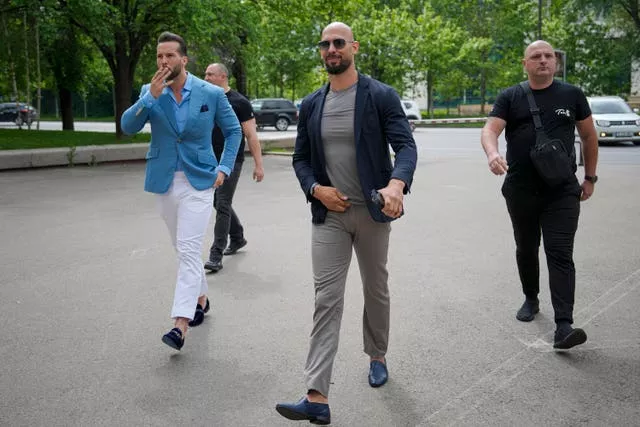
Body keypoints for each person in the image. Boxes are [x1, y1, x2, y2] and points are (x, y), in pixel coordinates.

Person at [275, 22, 417, 425]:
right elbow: (301, 159)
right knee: (327, 299)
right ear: (321, 52)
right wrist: (316, 189)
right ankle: (316, 395)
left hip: (372, 211)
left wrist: (396, 184)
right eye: (325, 44)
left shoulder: (380, 96)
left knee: (376, 289)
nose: (332, 49)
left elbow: (405, 146)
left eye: (339, 43)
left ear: (353, 47)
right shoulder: (312, 103)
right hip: (330, 216)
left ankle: (377, 355)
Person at [121, 32, 241, 351]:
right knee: (182, 248)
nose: (163, 61)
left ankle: (180, 324)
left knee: (188, 249)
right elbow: (127, 127)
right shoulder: (151, 92)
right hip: (164, 180)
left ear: (183, 59)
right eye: (159, 56)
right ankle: (200, 299)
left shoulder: (210, 93)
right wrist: (149, 98)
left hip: (200, 180)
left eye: (169, 56)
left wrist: (224, 168)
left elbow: (233, 131)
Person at [480, 40, 599, 350]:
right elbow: (490, 129)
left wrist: (590, 178)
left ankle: (564, 325)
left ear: (555, 63)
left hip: (561, 191)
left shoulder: (571, 95)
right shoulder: (511, 96)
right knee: (527, 247)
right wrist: (492, 154)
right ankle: (530, 298)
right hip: (520, 190)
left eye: (548, 56)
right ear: (525, 63)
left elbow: (588, 136)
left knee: (560, 252)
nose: (543, 60)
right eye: (536, 56)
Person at [203, 63, 264, 272]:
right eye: (205, 74)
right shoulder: (207, 99)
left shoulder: (240, 102)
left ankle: (216, 254)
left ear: (223, 76)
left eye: (210, 74)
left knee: (222, 203)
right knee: (218, 202)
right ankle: (237, 237)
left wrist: (259, 165)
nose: (206, 77)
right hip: (210, 160)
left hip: (232, 160)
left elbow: (251, 135)